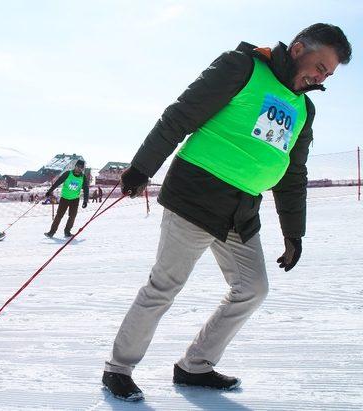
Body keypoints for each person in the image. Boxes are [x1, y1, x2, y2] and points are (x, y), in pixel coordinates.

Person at [102, 24, 352, 402]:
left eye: (328, 75)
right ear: (299, 49)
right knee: (164, 287)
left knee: (252, 288)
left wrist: (293, 232)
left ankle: (195, 366)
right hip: (195, 195)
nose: (320, 78)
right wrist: (142, 168)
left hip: (242, 209)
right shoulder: (243, 67)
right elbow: (180, 116)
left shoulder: (305, 109)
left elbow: (293, 172)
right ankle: (118, 370)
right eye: (320, 67)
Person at [44, 159, 89, 237]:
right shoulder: (68, 174)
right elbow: (58, 182)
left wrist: (85, 200)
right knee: (59, 216)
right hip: (64, 198)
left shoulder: (83, 177)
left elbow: (86, 189)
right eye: (78, 167)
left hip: (75, 199)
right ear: (75, 166)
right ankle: (51, 232)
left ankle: (67, 231)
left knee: (72, 216)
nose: (79, 169)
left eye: (81, 168)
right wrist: (50, 191)